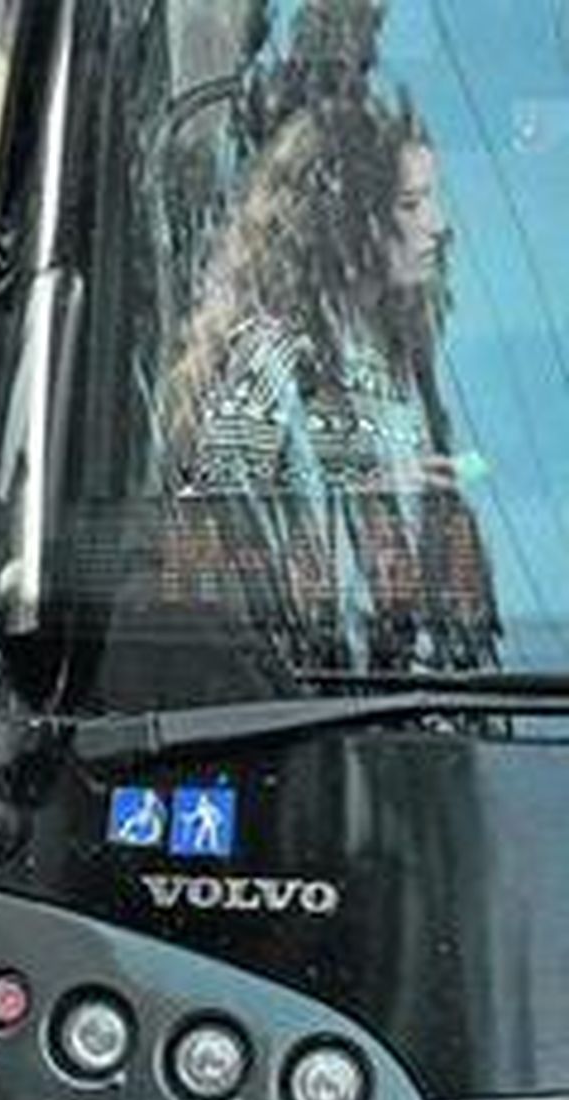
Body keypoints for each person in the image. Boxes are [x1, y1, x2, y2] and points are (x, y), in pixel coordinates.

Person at [163, 54, 498, 675]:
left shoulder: (398, 352)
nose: (439, 225)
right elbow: (225, 536)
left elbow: (472, 470)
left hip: (409, 684)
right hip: (307, 690)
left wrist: (458, 473)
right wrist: (370, 486)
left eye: (433, 200)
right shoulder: (268, 360)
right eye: (411, 204)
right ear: (345, 220)